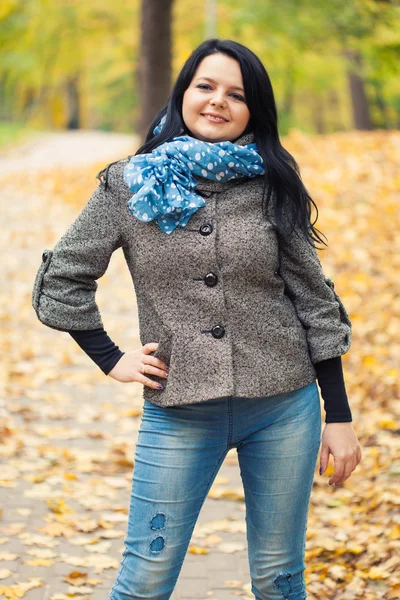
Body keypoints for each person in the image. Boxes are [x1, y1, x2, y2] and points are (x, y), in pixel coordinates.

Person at [32, 38, 362, 600]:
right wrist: (110, 358)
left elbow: (314, 301)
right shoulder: (130, 182)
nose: (218, 102)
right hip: (179, 412)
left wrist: (340, 414)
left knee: (280, 580)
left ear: (254, 109)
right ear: (184, 93)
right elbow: (62, 276)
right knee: (144, 580)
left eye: (236, 94)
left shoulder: (273, 184)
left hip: (285, 406)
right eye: (205, 86)